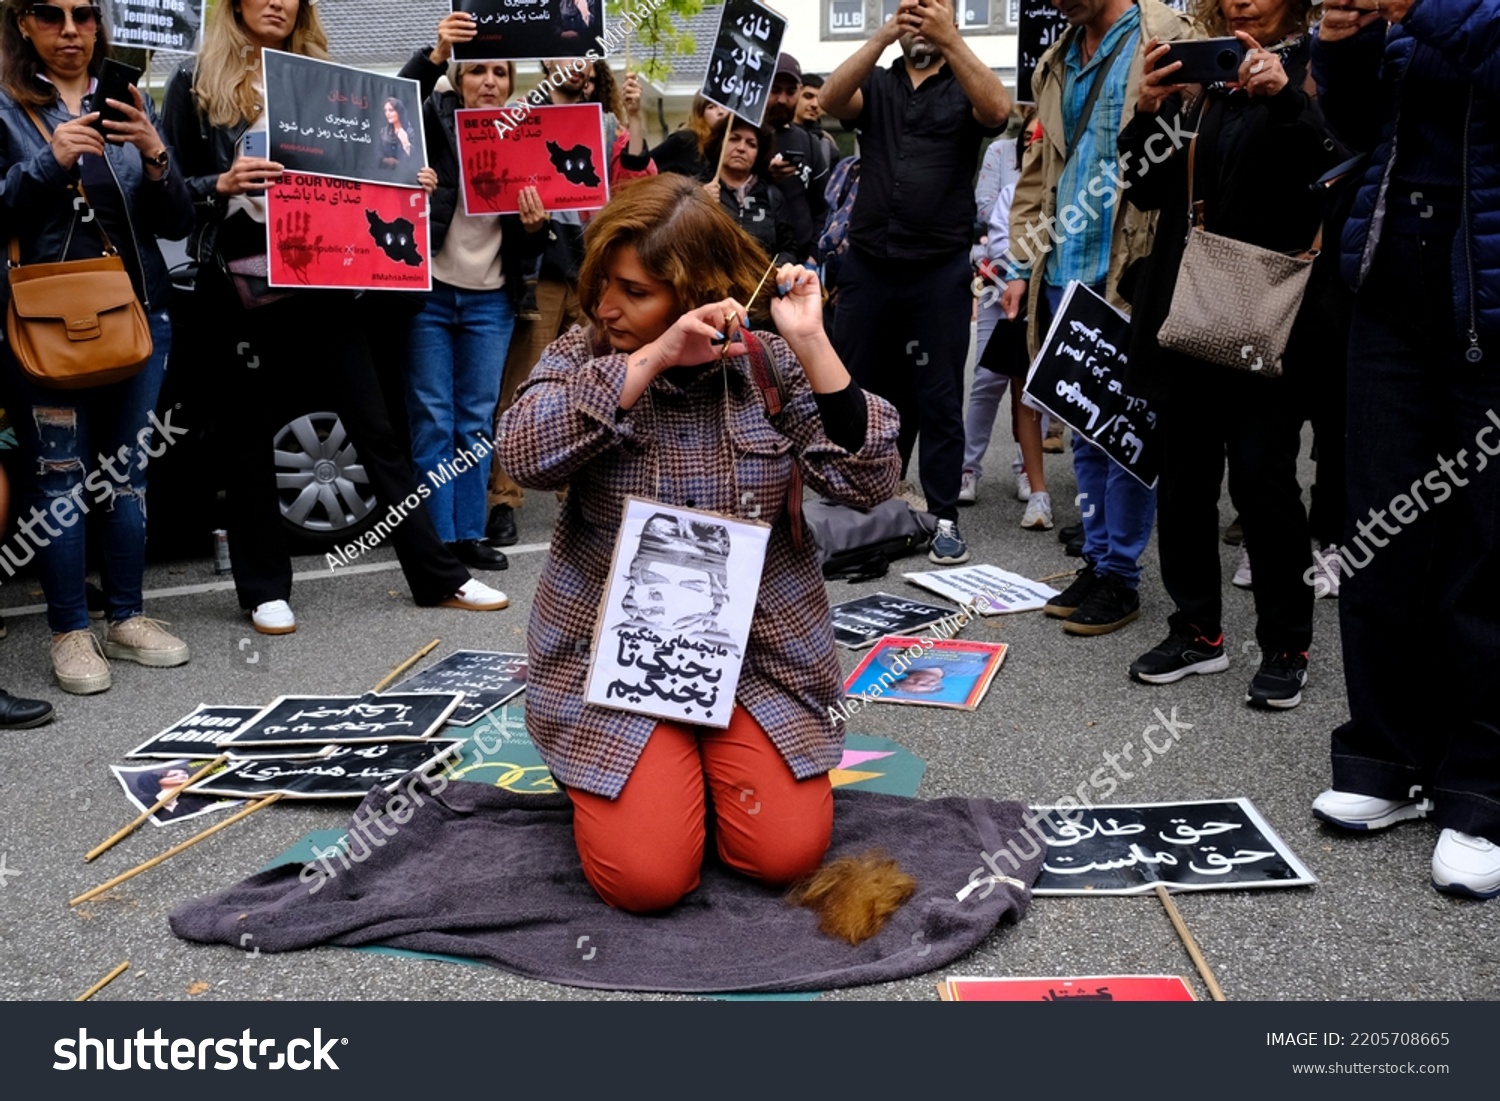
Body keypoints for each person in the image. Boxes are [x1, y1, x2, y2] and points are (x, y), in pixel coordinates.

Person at [495, 174, 899, 913]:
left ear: (692, 291)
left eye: (633, 291)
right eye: (602, 282)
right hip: (612, 665)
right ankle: (627, 773)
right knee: (646, 880)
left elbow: (872, 482)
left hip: (756, 659)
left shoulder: (767, 365)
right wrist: (649, 360)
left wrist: (810, 341)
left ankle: (697, 766)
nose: (606, 306)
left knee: (785, 853)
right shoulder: (584, 353)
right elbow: (521, 452)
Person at [161, 0, 508, 636]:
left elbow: (376, 153)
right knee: (246, 443)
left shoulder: (321, 79)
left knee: (377, 430)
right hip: (237, 288)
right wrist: (224, 183)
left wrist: (410, 181)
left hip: (321, 282)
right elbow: (168, 200)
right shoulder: (192, 83)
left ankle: (439, 576)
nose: (276, 2)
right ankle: (263, 590)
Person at [1310, 0, 1500, 899]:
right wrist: (1343, 43)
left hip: (1488, 283)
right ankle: (1386, 756)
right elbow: (1351, 127)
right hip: (1393, 269)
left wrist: (1419, 6)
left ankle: (1480, 787)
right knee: (1379, 524)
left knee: (1485, 546)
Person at [1118, 0, 1345, 708]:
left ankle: (1286, 643)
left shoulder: (1317, 71)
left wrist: (1285, 100)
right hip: (1189, 303)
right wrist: (1152, 108)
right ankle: (1197, 630)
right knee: (1184, 476)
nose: (1245, 1)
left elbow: (1332, 176)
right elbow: (1150, 188)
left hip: (1268, 308)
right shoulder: (1203, 79)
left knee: (1262, 477)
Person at [0, 0, 195, 694]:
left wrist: (154, 151)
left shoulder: (129, 99)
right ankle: (69, 630)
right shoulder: (6, 107)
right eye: (49, 16)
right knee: (59, 481)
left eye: (83, 13)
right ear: (21, 23)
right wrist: (49, 164)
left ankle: (127, 616)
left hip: (140, 317)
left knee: (127, 479)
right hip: (49, 323)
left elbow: (177, 221)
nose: (71, 29)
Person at [1001, 0, 1195, 632]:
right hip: (1063, 271)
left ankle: (1122, 576)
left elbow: (1192, 154)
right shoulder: (1055, 59)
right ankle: (1100, 555)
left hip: (1131, 270)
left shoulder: (1167, 35)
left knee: (1127, 435)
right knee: (1084, 428)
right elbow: (1039, 171)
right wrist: (1023, 260)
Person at [821, 0, 1011, 564]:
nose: (920, 16)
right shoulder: (876, 83)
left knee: (939, 396)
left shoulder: (965, 81)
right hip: (871, 264)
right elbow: (831, 101)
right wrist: (882, 36)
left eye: (934, 7)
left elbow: (998, 111)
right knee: (857, 389)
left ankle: (943, 514)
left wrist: (950, 39)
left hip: (937, 268)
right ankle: (862, 507)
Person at [483, 57, 656, 549]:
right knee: (523, 384)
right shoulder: (521, 113)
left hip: (593, 270)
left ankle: (572, 490)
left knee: (591, 379)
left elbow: (634, 178)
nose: (576, 65)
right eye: (565, 56)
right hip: (542, 267)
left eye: (584, 56)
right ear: (546, 59)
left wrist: (636, 116)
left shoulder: (603, 122)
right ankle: (503, 500)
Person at [397, 13, 549, 571]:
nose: (490, 81)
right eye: (478, 71)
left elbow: (530, 249)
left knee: (476, 420)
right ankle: (436, 545)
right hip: (431, 294)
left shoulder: (524, 134)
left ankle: (467, 534)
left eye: (501, 72)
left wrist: (536, 227)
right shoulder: (431, 121)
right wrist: (438, 48)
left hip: (491, 299)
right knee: (434, 419)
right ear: (459, 81)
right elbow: (393, 100)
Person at [703, 116, 799, 269]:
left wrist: (777, 269)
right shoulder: (697, 190)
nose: (741, 148)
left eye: (751, 144)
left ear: (759, 153)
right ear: (720, 143)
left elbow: (788, 249)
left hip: (761, 288)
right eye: (734, 139)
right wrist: (700, 206)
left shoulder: (772, 195)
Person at [764, 53, 829, 265]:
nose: (782, 99)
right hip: (755, 261)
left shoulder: (810, 143)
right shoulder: (745, 138)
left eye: (790, 91)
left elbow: (823, 206)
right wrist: (765, 173)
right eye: (775, 90)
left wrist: (813, 256)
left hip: (801, 264)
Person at [650, 93, 728, 182]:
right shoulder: (685, 140)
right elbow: (644, 167)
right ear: (700, 114)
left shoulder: (730, 146)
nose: (721, 112)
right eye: (711, 107)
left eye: (724, 105)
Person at [796, 73, 842, 166]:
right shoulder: (772, 136)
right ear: (795, 94)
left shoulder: (828, 146)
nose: (815, 104)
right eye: (808, 96)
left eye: (821, 99)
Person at [378, 96, 414, 168]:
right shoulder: (383, 131)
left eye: (391, 110)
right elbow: (377, 154)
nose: (387, 113)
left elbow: (415, 158)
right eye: (385, 110)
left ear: (399, 111)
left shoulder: (410, 132)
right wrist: (386, 160)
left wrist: (405, 142)